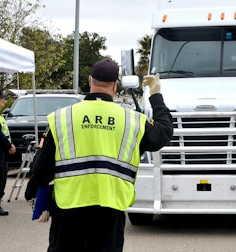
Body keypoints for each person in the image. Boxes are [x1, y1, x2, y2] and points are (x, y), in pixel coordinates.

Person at [25, 58, 173, 251]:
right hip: (110, 210)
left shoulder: (62, 117)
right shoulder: (133, 121)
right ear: (115, 85)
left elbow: (42, 165)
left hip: (69, 209)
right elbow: (164, 133)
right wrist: (156, 95)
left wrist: (37, 198)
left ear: (89, 81)